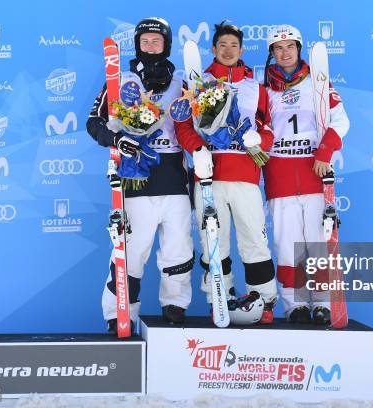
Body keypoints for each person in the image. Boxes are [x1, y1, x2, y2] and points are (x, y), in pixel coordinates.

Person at [86, 17, 199, 333]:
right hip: (136, 177)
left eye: (157, 41)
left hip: (174, 176)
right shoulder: (120, 80)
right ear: (137, 44)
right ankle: (119, 312)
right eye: (145, 41)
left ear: (167, 45)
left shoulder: (182, 82)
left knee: (178, 246)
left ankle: (175, 304)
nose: (151, 46)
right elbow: (94, 123)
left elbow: (198, 123)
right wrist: (117, 139)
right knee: (131, 250)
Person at [179, 22, 278, 324]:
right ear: (213, 48)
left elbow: (268, 126)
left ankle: (264, 300)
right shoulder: (198, 82)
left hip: (246, 177)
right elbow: (183, 126)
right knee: (214, 243)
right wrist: (198, 150)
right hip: (209, 176)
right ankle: (218, 299)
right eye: (222, 45)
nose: (228, 50)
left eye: (234, 45)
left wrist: (260, 142)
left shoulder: (255, 87)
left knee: (254, 241)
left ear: (242, 49)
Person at [263, 25, 350, 324]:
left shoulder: (319, 83)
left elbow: (340, 121)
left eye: (290, 46)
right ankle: (294, 305)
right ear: (271, 53)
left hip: (314, 172)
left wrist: (324, 153)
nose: (284, 52)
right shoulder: (265, 89)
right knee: (287, 245)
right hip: (281, 174)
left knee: (316, 242)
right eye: (278, 48)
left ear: (299, 49)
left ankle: (322, 303)